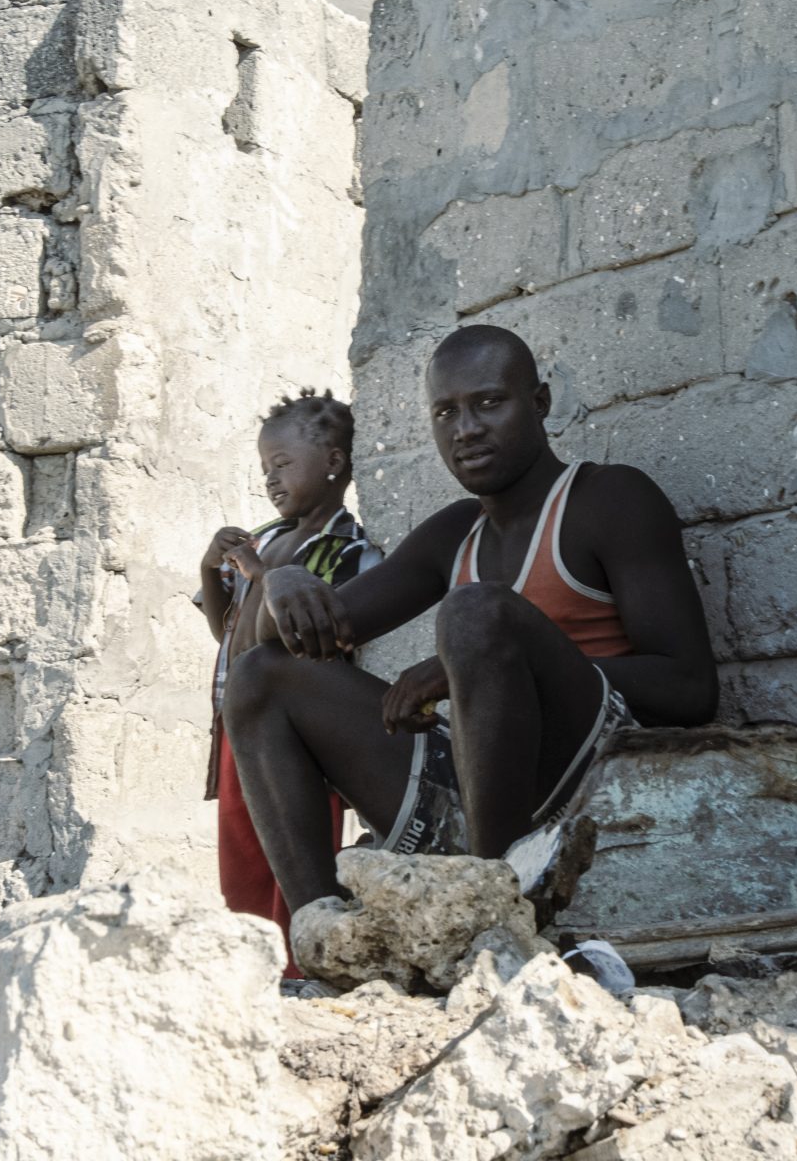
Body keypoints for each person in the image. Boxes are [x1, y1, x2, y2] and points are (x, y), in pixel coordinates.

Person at [222, 324, 718, 932]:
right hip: (486, 792)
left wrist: (474, 664)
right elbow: (305, 635)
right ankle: (320, 936)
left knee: (476, 611)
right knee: (259, 677)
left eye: (489, 403)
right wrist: (280, 581)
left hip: (590, 778)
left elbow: (691, 689)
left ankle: (496, 919)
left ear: (539, 403)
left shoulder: (607, 499)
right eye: (446, 413)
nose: (467, 429)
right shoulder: (456, 532)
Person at [196, 389, 380, 955]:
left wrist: (257, 573)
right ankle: (258, 964)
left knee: (296, 852)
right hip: (237, 728)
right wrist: (210, 567)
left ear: (333, 463)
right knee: (243, 861)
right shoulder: (267, 537)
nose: (270, 480)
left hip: (299, 738)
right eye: (264, 468)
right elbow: (225, 629)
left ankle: (304, 964)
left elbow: (306, 637)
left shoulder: (346, 551)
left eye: (282, 464)